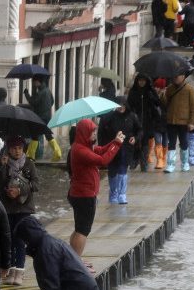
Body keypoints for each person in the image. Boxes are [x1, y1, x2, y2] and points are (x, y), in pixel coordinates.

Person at [67, 119, 124, 259]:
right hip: (84, 196)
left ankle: (72, 258)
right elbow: (103, 161)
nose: (94, 135)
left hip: (82, 194)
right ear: (84, 133)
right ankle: (76, 262)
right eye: (92, 132)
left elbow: (102, 150)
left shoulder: (84, 146)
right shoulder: (80, 150)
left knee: (79, 229)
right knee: (83, 231)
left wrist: (115, 141)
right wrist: (117, 144)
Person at [0, 136, 39, 286]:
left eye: (20, 148)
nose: (17, 151)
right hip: (8, 208)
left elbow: (35, 185)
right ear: (8, 149)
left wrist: (20, 190)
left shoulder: (29, 164)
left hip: (24, 208)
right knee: (9, 240)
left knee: (20, 239)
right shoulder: (4, 163)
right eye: (14, 148)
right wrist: (2, 168)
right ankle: (10, 270)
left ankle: (19, 272)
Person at [98, 97, 141, 201]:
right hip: (112, 149)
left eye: (123, 105)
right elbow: (101, 133)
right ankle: (113, 193)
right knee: (112, 171)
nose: (121, 107)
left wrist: (135, 138)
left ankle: (122, 194)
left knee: (123, 170)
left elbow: (139, 130)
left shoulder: (132, 116)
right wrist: (103, 148)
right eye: (118, 105)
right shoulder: (108, 118)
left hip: (126, 149)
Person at [161, 71, 194, 173]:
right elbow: (165, 104)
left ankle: (185, 163)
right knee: (171, 143)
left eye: (177, 76)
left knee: (184, 143)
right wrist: (162, 95)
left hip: (184, 122)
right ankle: (170, 164)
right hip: (171, 121)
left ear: (183, 77)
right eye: (174, 76)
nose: (175, 78)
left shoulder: (189, 89)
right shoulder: (170, 88)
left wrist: (192, 122)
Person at [127, 73, 164, 172]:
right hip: (136, 120)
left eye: (143, 80)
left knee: (145, 143)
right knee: (135, 141)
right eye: (140, 80)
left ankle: (144, 163)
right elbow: (129, 105)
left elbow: (158, 103)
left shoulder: (150, 91)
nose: (142, 82)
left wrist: (152, 97)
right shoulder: (133, 92)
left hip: (148, 121)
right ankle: (134, 160)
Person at [23, 77, 58, 161]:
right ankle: (58, 153)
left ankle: (31, 156)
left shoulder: (41, 92)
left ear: (38, 81)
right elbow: (52, 101)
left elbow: (33, 102)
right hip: (47, 116)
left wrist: (26, 94)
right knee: (47, 134)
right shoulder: (47, 90)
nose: (33, 84)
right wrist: (46, 108)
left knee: (35, 135)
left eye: (34, 82)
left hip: (40, 117)